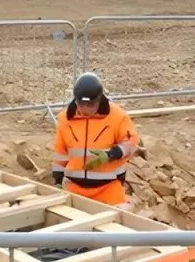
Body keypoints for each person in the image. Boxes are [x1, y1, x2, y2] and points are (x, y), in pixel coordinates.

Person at [51, 72, 139, 209]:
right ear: (76, 100)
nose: (86, 109)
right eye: (81, 104)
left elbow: (131, 141)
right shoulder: (65, 119)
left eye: (91, 104)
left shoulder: (117, 116)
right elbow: (60, 152)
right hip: (75, 188)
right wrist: (57, 179)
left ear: (99, 100)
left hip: (108, 189)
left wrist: (112, 154)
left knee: (117, 226)